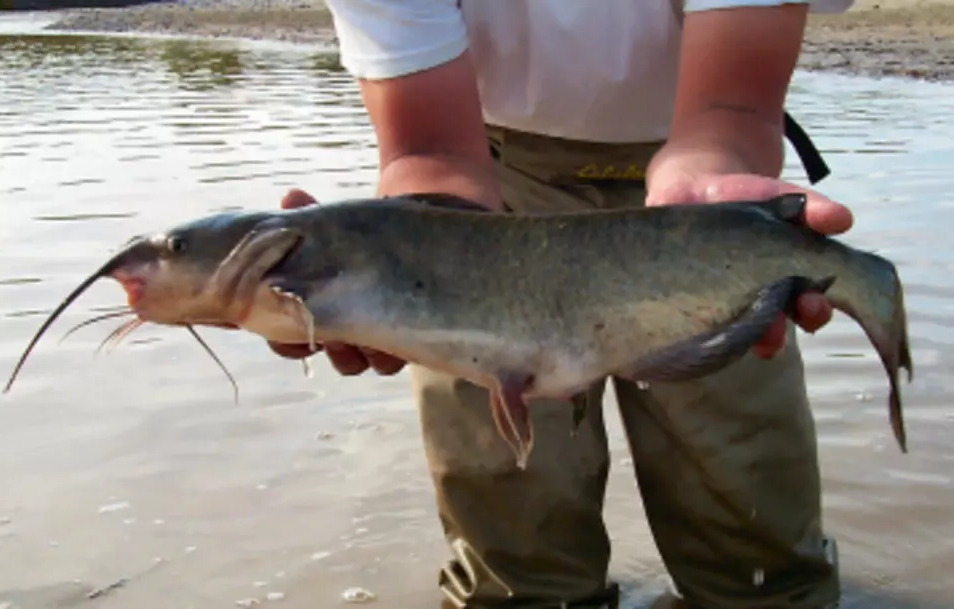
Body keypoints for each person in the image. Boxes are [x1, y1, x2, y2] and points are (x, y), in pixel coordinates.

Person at [269, 1, 857, 607]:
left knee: (750, 526)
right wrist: (395, 260)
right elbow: (433, 150)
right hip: (485, 181)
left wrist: (723, 204)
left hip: (708, 179)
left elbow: (730, 111)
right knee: (514, 535)